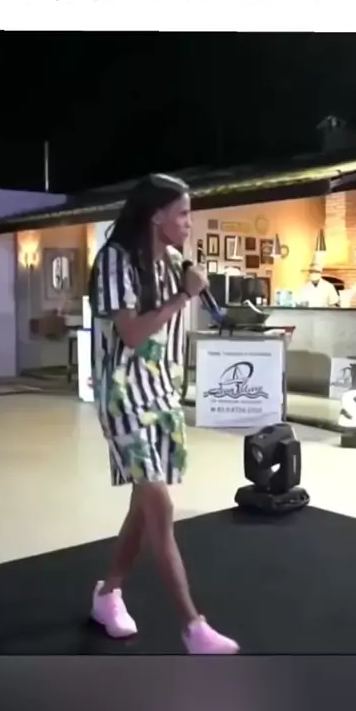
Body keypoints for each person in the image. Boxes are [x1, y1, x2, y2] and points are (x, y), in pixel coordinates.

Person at [87, 172, 239, 655]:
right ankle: (194, 627)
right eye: (183, 214)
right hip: (123, 396)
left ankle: (108, 593)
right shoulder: (115, 260)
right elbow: (132, 334)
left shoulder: (176, 263)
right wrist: (183, 296)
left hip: (162, 396)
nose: (190, 223)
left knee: (144, 504)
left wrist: (190, 289)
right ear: (156, 216)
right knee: (161, 506)